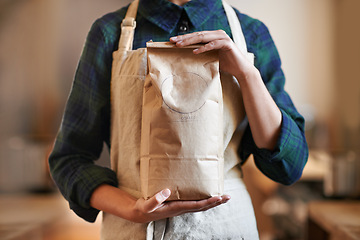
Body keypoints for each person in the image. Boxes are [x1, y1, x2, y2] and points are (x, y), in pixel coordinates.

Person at [49, 0, 308, 239]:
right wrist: (131, 209)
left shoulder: (251, 33)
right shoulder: (109, 32)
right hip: (133, 229)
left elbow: (290, 165)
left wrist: (247, 75)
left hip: (227, 228)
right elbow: (69, 160)